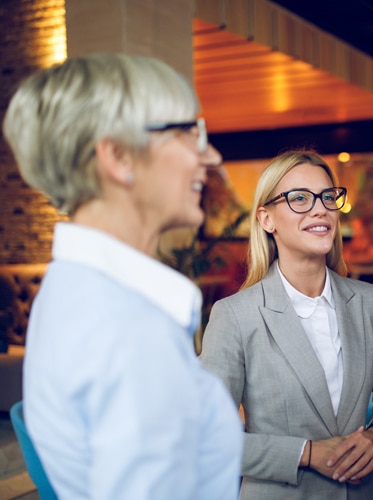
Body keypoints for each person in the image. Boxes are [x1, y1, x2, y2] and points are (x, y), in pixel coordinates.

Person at [2, 53, 243, 499]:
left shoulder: (80, 293)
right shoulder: (125, 327)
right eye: (190, 132)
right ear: (117, 156)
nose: (211, 155)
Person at [200, 150, 373, 499]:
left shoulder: (368, 301)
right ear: (267, 219)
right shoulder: (235, 316)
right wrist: (308, 454)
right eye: (299, 198)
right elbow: (208, 436)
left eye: (328, 197)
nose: (320, 208)